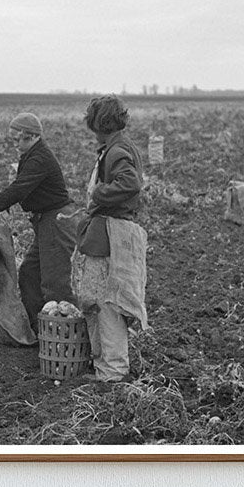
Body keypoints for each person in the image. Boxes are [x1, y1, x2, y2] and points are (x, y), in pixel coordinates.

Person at [0, 112, 75, 330]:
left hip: (56, 222)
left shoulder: (39, 158)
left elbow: (19, 189)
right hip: (45, 222)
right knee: (28, 275)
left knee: (56, 285)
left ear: (31, 136)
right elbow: (21, 188)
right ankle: (39, 331)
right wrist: (0, 205)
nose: (14, 144)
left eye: (17, 139)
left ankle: (67, 337)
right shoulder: (30, 155)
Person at [75, 94, 148, 382]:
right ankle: (105, 365)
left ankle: (112, 370)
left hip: (112, 232)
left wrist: (98, 194)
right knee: (100, 300)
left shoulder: (117, 150)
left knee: (108, 303)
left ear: (97, 122)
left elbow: (131, 184)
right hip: (109, 230)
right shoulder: (117, 146)